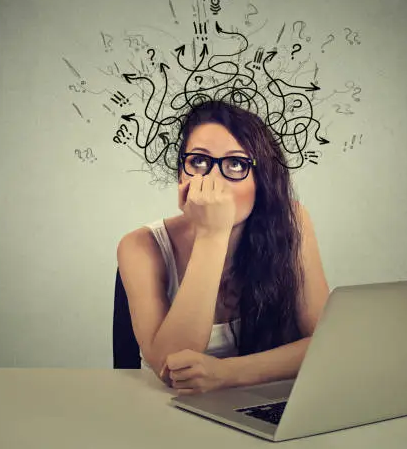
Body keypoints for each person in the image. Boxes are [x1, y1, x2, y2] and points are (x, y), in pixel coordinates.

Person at [116, 100, 329, 394]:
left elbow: (325, 344)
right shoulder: (139, 245)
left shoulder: (292, 221)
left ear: (262, 180)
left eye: (236, 164)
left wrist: (227, 373)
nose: (213, 181)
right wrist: (212, 235)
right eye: (199, 162)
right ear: (181, 175)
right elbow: (171, 367)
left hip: (256, 406)